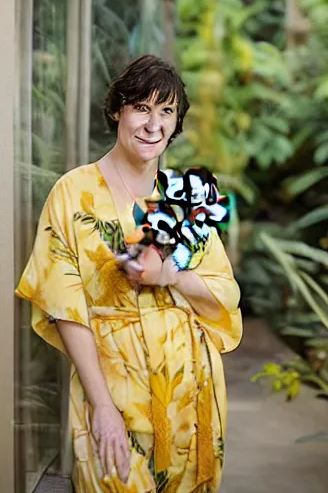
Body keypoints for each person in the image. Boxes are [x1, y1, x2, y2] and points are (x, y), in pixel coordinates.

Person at [16, 55, 242, 493]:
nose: (153, 124)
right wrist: (101, 405)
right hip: (112, 387)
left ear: (176, 124)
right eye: (141, 107)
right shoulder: (73, 192)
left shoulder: (187, 199)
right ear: (118, 109)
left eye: (166, 112)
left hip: (190, 393)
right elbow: (65, 308)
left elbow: (223, 296)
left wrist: (171, 274)